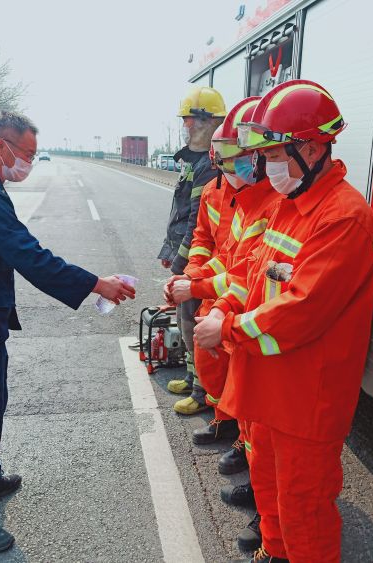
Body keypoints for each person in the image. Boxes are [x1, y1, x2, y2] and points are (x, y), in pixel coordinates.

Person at [0, 111, 135, 554]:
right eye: (27, 154)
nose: (30, 163)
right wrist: (96, 282)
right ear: (1, 147)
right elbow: (28, 255)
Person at [194, 80, 373, 562]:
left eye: (277, 152)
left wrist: (230, 329)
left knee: (303, 507)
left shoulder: (344, 218)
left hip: (307, 399)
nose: (267, 165)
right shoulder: (288, 205)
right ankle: (274, 554)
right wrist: (222, 306)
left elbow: (302, 309)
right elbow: (250, 271)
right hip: (269, 388)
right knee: (269, 489)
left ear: (315, 146)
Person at [170, 96, 283, 554]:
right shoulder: (228, 191)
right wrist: (199, 283)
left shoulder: (272, 202)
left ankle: (273, 529)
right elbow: (212, 246)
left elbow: (251, 272)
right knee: (231, 388)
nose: (228, 167)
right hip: (231, 307)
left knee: (287, 460)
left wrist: (208, 298)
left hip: (253, 325)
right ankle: (238, 445)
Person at [158, 86, 225, 415]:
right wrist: (170, 250)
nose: (186, 127)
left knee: (196, 323)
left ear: (210, 122)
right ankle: (191, 375)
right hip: (192, 260)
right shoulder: (195, 161)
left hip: (204, 266)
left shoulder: (210, 167)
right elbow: (182, 210)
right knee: (186, 320)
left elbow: (196, 222)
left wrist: (180, 270)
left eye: (190, 121)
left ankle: (202, 391)